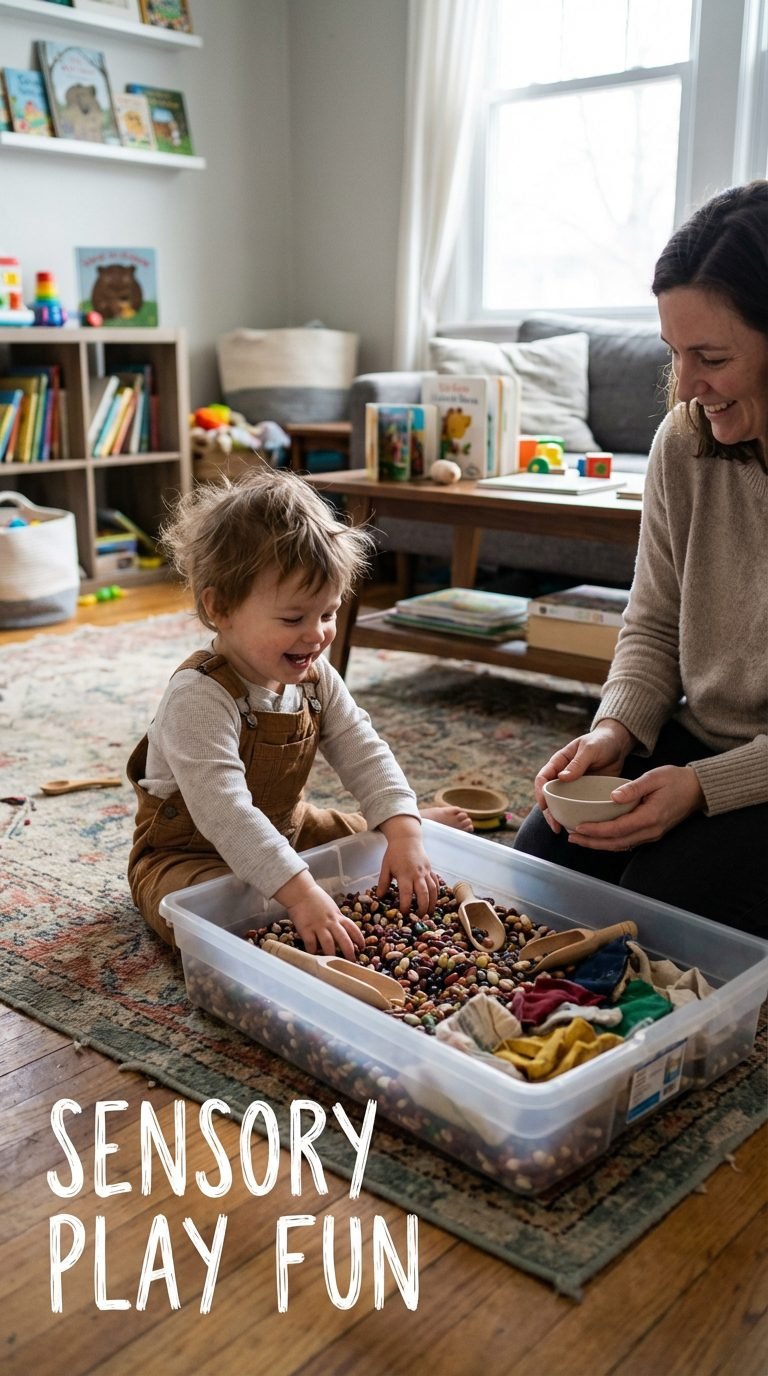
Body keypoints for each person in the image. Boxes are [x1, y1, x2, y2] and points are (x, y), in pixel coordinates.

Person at [514, 180, 768, 937]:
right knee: (545, 873)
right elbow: (655, 624)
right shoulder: (683, 444)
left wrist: (701, 789)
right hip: (702, 739)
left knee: (658, 914)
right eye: (674, 354)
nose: (686, 386)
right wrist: (615, 732)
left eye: (711, 357)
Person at [127, 469, 472, 952]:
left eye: (328, 614)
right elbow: (227, 815)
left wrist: (402, 829)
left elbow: (363, 748)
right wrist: (303, 893)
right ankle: (286, 887)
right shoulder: (198, 698)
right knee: (211, 917)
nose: (316, 635)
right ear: (220, 608)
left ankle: (409, 818)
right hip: (186, 854)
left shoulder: (315, 676)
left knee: (363, 836)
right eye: (293, 618)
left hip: (287, 826)